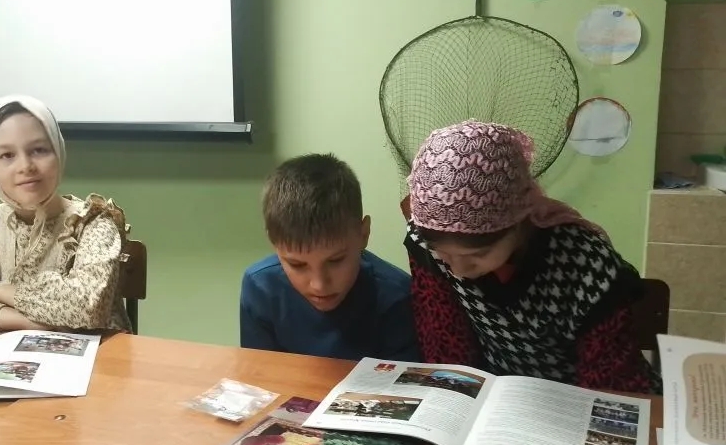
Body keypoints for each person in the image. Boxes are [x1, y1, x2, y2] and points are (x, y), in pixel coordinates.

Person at [405, 120, 657, 392]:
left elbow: (612, 381)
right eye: (443, 255)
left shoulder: (584, 261)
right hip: (498, 394)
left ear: (519, 222)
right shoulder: (424, 243)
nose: (458, 270)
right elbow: (445, 348)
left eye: (478, 255)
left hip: (575, 396)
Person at [0, 95, 130, 333]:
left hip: (99, 353)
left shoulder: (92, 222)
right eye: (7, 155)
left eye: (39, 150)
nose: (26, 166)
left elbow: (88, 307)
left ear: (58, 151)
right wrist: (21, 320)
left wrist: (8, 292)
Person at [239, 154, 419, 362]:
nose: (319, 285)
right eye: (297, 265)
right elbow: (260, 373)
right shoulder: (260, 287)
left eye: (335, 261)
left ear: (363, 234)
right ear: (274, 242)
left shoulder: (397, 296)